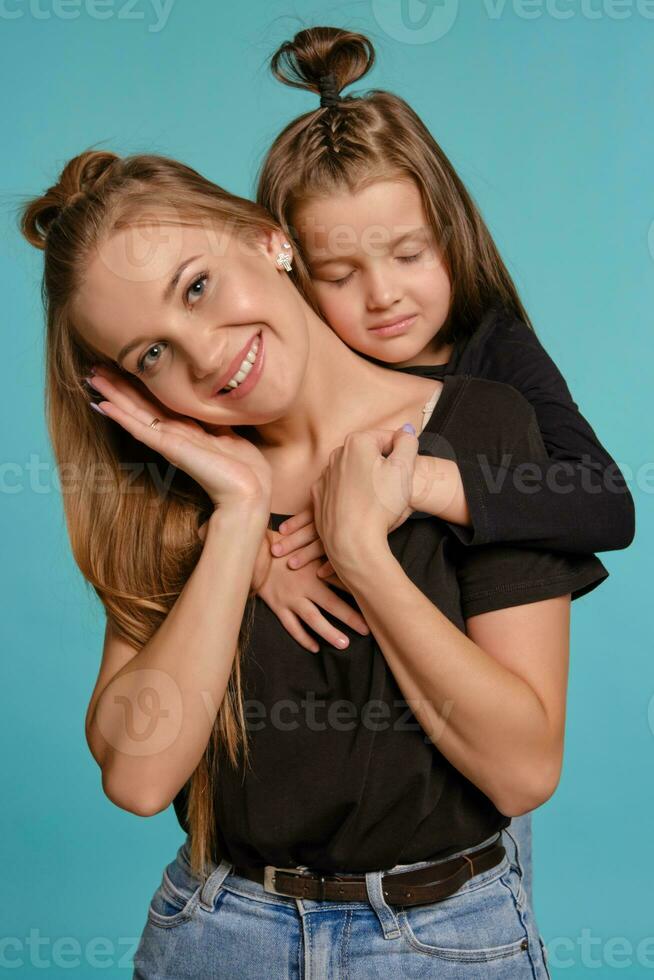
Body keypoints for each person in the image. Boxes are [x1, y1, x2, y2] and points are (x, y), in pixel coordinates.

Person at [20, 148, 609, 978]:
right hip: (218, 935)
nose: (204, 354)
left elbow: (522, 770)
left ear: (269, 242)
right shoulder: (172, 489)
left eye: (197, 287)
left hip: (443, 941)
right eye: (151, 354)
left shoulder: (479, 429)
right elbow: (140, 778)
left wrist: (363, 555)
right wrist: (235, 519)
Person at [251, 26, 636, 909]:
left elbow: (605, 501)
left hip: (461, 770)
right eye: (339, 272)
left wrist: (416, 483)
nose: (382, 296)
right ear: (289, 271)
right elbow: (185, 485)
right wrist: (252, 561)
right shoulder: (280, 378)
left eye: (409, 256)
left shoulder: (492, 353)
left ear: (450, 232)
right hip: (325, 791)